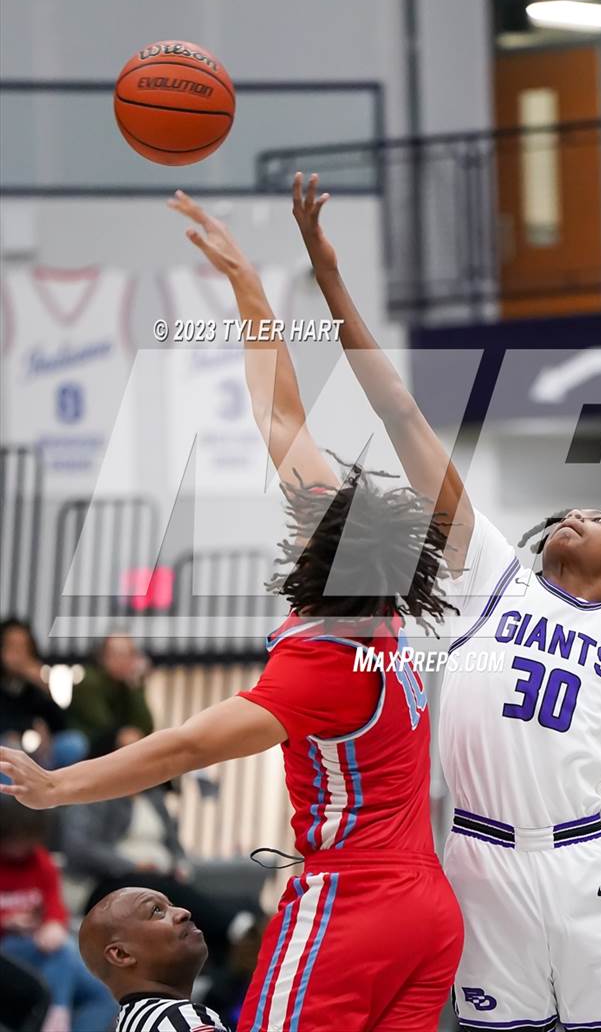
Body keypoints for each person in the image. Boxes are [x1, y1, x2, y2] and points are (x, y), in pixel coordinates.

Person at [284, 173, 601, 1032]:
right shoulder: (490, 572)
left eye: (599, 518)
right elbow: (401, 413)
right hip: (478, 861)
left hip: (579, 864)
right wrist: (329, 278)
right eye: (573, 508)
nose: (578, 513)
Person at [0, 188, 463, 1032]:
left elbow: (184, 745)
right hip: (429, 912)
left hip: (353, 903)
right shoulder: (381, 609)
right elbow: (279, 412)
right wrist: (248, 283)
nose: (303, 508)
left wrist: (59, 787)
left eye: (314, 519)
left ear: (319, 554)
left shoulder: (322, 662)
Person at [60, 785, 261, 970]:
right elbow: (81, 849)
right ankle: (235, 925)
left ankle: (239, 931)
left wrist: (180, 866)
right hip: (109, 883)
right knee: (169, 894)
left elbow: (174, 845)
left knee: (234, 906)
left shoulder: (153, 797)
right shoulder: (98, 794)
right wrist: (133, 866)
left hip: (162, 881)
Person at [0, 797, 117, 1032]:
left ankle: (55, 1016)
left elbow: (55, 904)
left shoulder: (41, 861)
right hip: (7, 949)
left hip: (40, 947)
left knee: (104, 996)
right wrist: (7, 921)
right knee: (62, 952)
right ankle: (56, 1012)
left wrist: (53, 924)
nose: (22, 846)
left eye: (29, 837)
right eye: (17, 837)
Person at [78, 887, 230, 1032]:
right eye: (156, 911)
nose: (184, 912)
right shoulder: (178, 1020)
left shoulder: (134, 1022)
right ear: (121, 954)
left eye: (171, 906)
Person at [0, 619, 88, 772]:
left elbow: (60, 724)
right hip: (7, 746)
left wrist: (42, 686)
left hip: (39, 748)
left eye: (24, 647)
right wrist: (27, 726)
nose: (18, 654)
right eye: (12, 647)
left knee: (74, 742)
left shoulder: (31, 685)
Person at [66, 633, 154, 757]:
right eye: (118, 654)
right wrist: (127, 734)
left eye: (130, 655)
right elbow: (103, 725)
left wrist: (136, 686)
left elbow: (145, 726)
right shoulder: (90, 682)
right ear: (104, 657)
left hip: (108, 744)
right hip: (85, 743)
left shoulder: (126, 685)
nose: (124, 661)